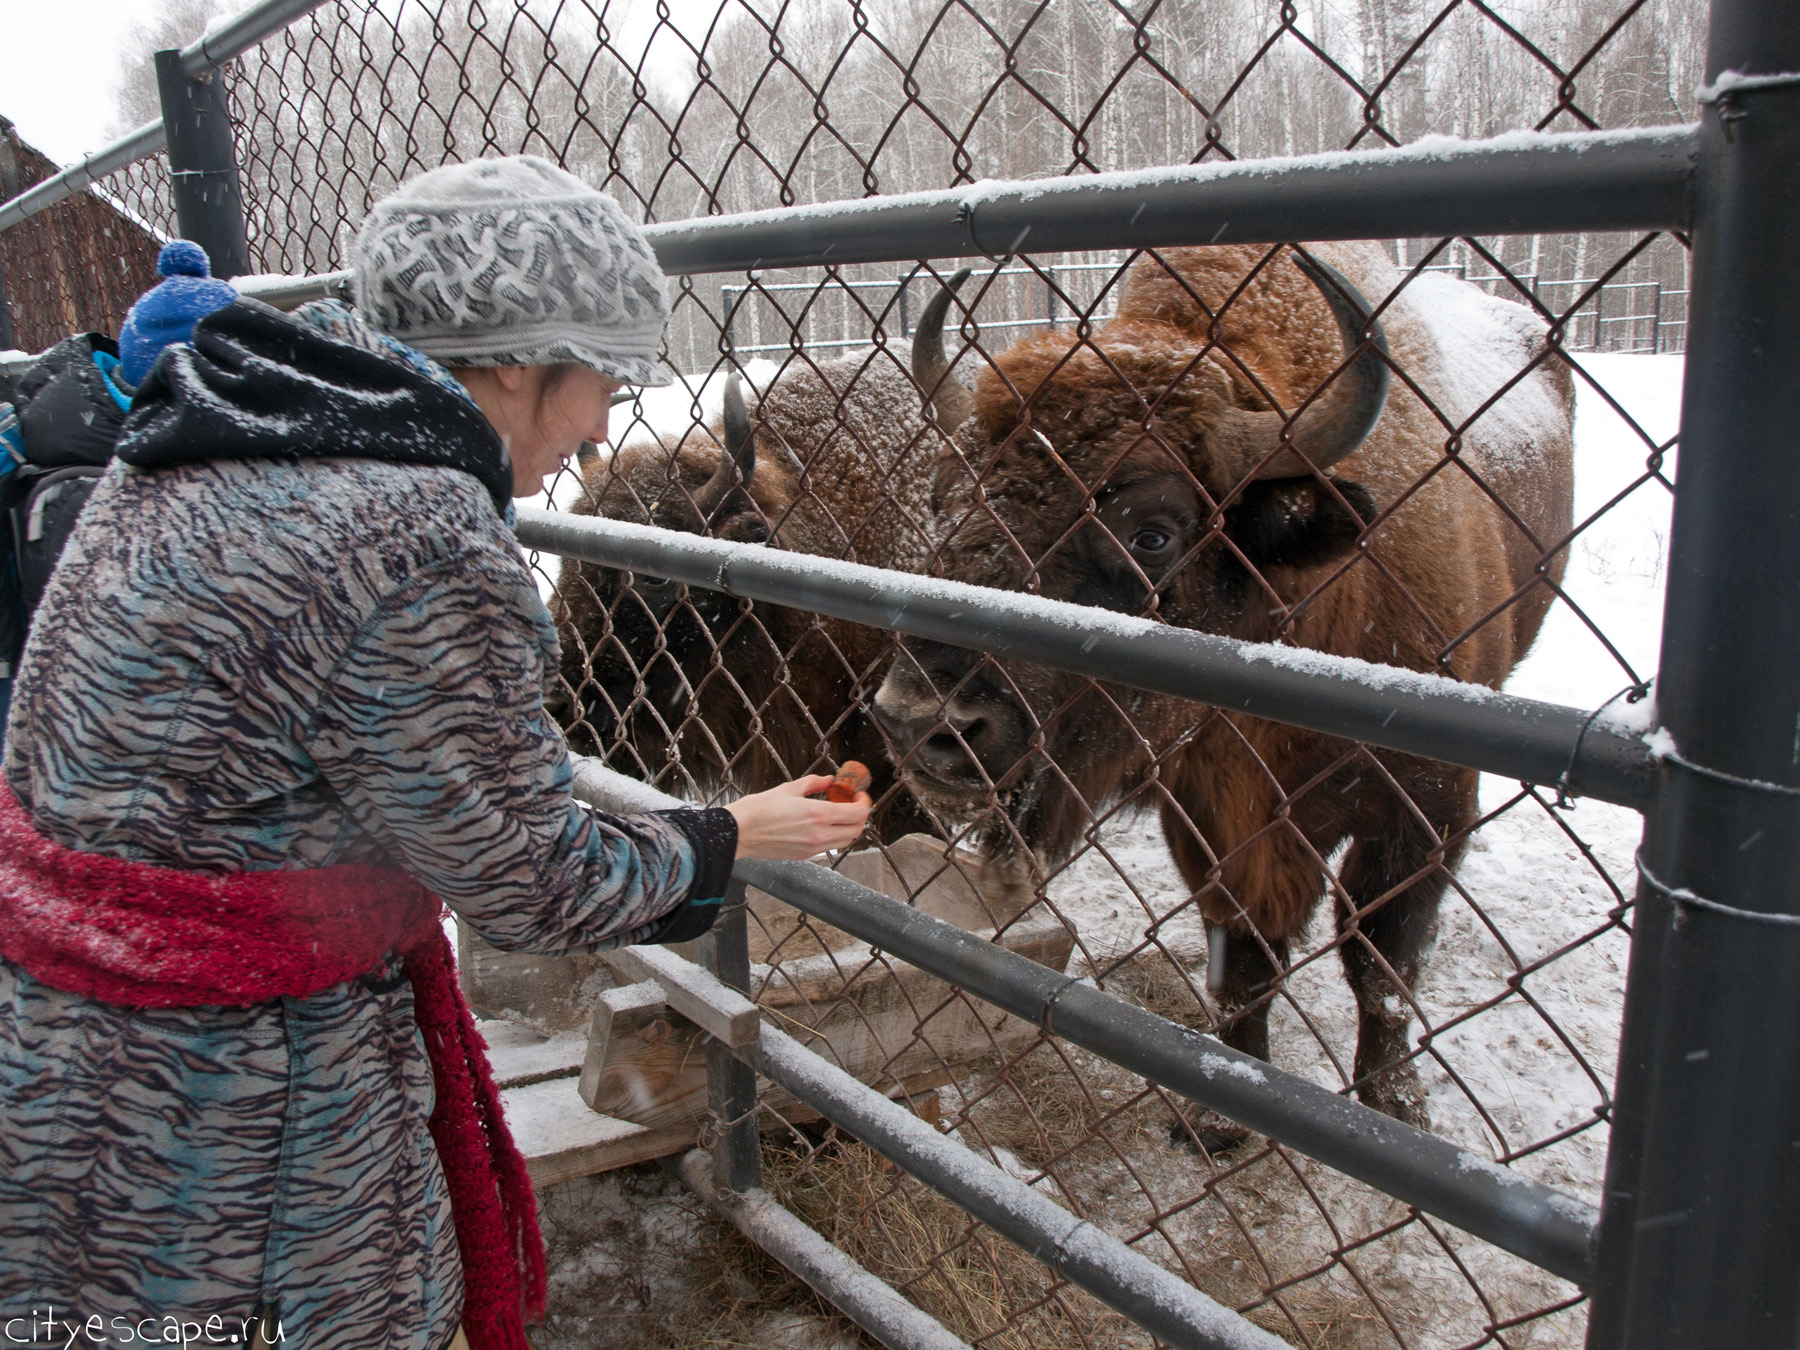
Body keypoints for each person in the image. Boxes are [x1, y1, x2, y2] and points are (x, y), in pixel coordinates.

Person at [0, 157, 870, 1350]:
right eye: (605, 375)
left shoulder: (200, 438)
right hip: (241, 1097)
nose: (606, 423)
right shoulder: (418, 531)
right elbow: (531, 880)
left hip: (64, 1050)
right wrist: (734, 833)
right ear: (516, 358)